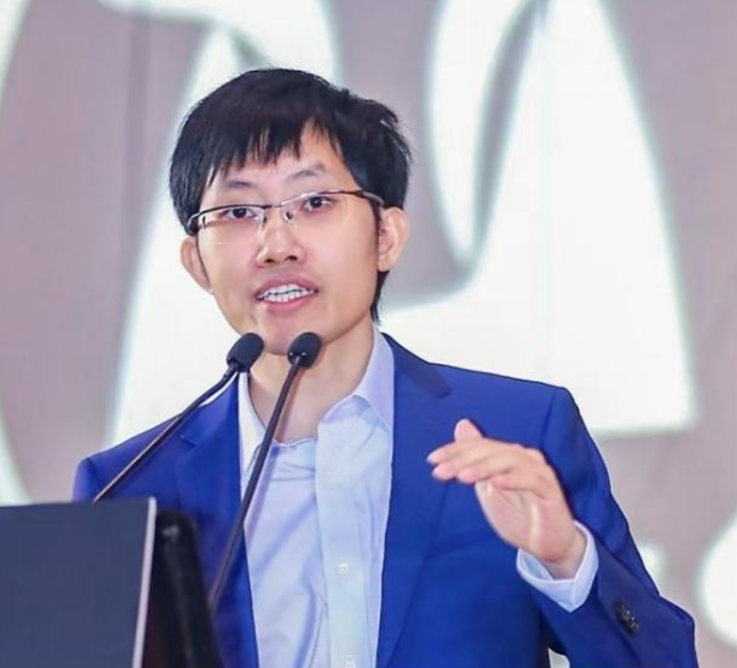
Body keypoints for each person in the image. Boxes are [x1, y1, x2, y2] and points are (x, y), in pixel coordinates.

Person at [73, 68, 697, 668]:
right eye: (238, 213)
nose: (276, 245)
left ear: (386, 237)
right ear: (196, 263)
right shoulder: (129, 487)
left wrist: (567, 560)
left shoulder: (521, 432)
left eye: (314, 202)